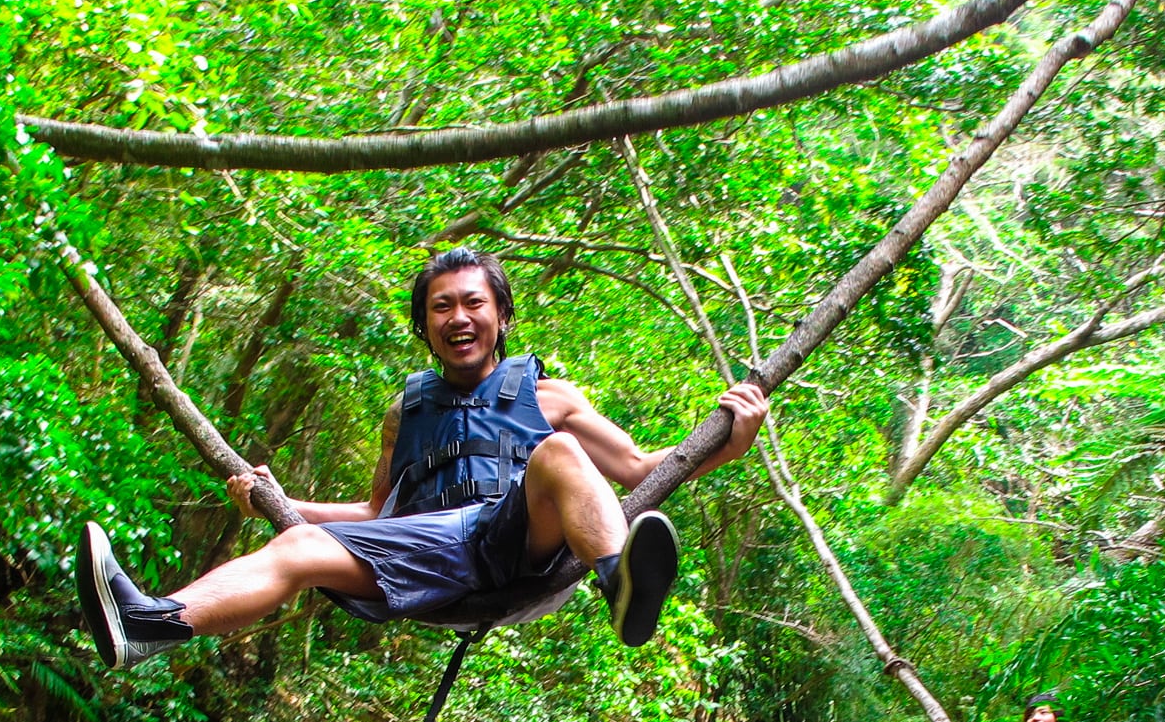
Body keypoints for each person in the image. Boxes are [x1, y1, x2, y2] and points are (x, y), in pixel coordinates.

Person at [77, 248, 769, 669]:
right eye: (441, 308)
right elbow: (376, 512)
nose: (458, 317)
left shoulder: (550, 397)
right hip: (426, 553)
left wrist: (729, 445)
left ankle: (620, 589)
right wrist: (275, 498)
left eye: (473, 303)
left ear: (500, 316)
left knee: (557, 452)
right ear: (425, 327)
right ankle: (150, 625)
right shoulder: (403, 411)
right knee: (298, 545)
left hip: (514, 544)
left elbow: (641, 470)